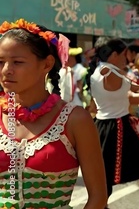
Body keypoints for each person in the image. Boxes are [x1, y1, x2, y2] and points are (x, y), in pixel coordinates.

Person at [0, 19, 107, 208]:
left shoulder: (75, 119)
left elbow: (98, 197)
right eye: (0, 62)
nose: (6, 71)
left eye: (17, 62)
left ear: (47, 64)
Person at [88, 37, 139, 208]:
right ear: (114, 54)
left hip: (101, 126)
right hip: (118, 126)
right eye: (124, 54)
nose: (126, 57)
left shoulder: (99, 71)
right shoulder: (111, 73)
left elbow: (134, 88)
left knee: (105, 174)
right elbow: (133, 91)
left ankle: (102, 205)